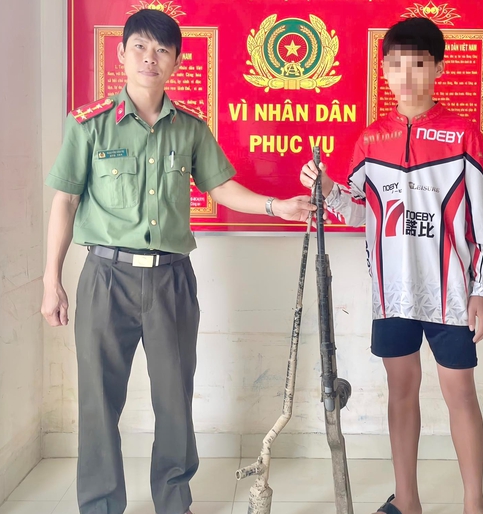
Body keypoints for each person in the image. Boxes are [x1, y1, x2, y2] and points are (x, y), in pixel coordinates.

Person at [41, 9, 316, 514]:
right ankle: (100, 505)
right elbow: (65, 200)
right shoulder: (89, 125)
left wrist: (276, 206)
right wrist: (50, 280)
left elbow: (220, 186)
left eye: (162, 50)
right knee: (98, 401)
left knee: (174, 400)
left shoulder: (189, 128)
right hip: (105, 278)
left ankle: (174, 502)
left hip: (170, 281)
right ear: (121, 54)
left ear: (176, 62)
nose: (150, 58)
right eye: (140, 47)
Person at [300, 17, 483, 514]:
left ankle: (474, 504)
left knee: (460, 394)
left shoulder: (463, 135)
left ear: (438, 68)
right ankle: (406, 501)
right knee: (401, 391)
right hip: (392, 295)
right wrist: (327, 189)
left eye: (418, 64)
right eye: (396, 65)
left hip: (452, 293)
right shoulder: (371, 141)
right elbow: (359, 211)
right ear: (384, 70)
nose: (407, 76)